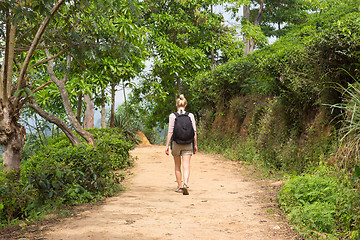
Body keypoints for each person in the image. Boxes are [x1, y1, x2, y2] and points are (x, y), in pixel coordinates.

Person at [165, 94, 197, 195]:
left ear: (176, 104)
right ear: (185, 105)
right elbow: (194, 132)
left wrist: (166, 146)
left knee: (177, 166)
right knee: (186, 166)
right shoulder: (190, 115)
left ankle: (179, 187)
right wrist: (195, 145)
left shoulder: (172, 116)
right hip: (188, 143)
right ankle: (185, 184)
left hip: (176, 143)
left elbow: (170, 132)